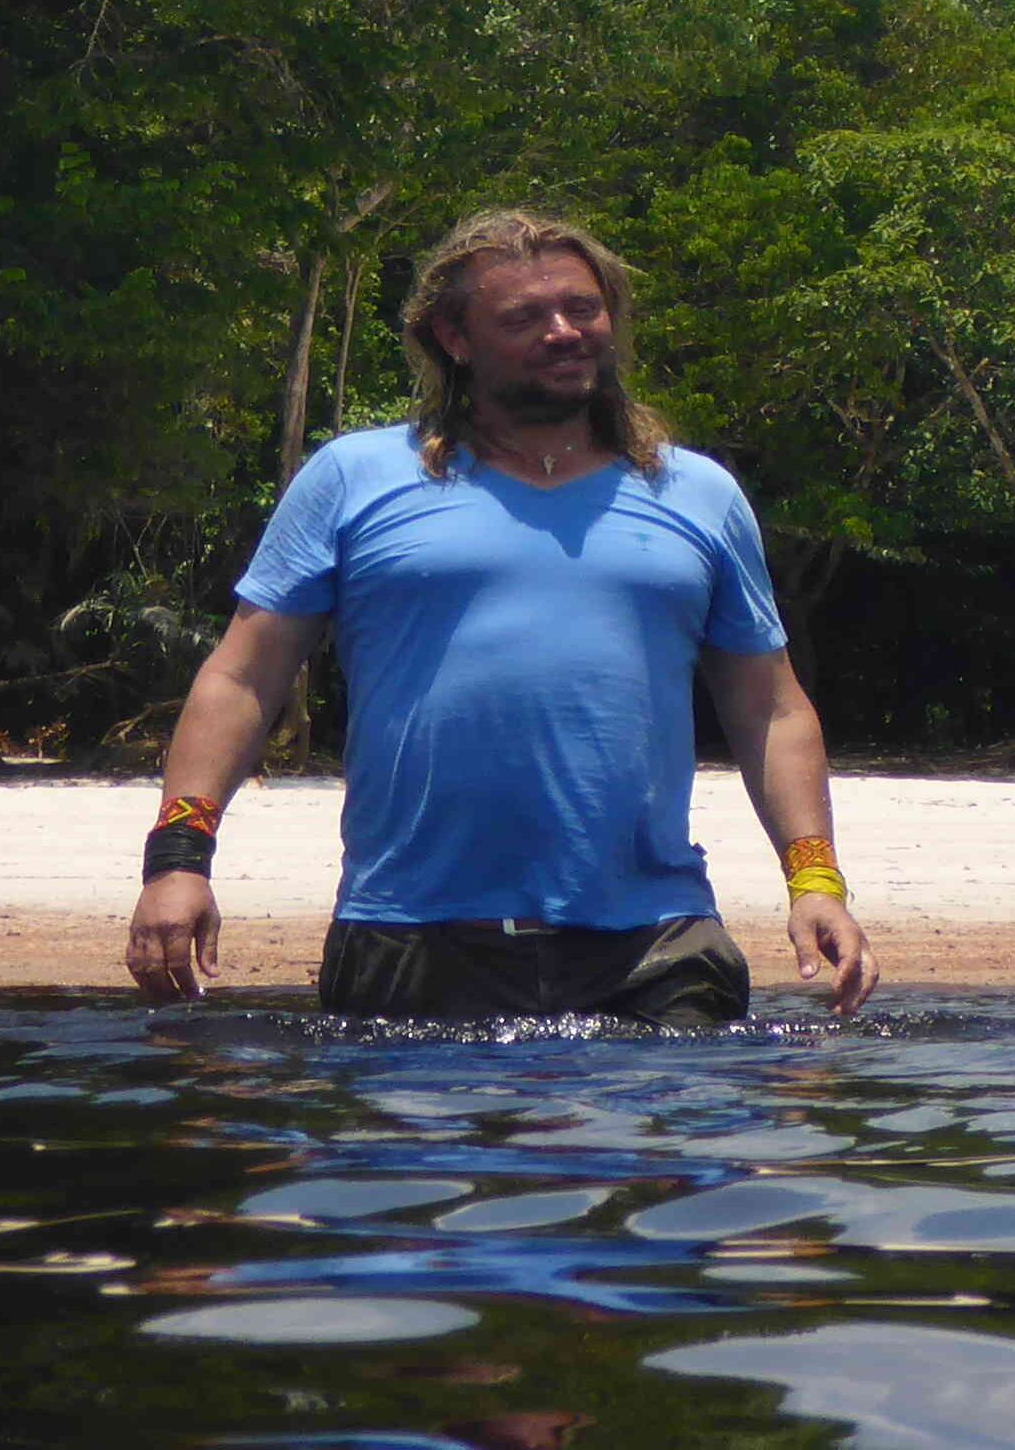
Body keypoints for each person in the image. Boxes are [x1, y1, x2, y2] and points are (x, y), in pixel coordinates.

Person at [122, 206, 879, 1026]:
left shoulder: (696, 493)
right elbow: (243, 677)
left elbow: (768, 704)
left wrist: (815, 881)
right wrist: (177, 860)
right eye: (524, 317)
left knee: (669, 1148)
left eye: (583, 309)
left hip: (655, 943)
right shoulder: (354, 478)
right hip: (410, 934)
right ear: (454, 337)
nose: (564, 331)